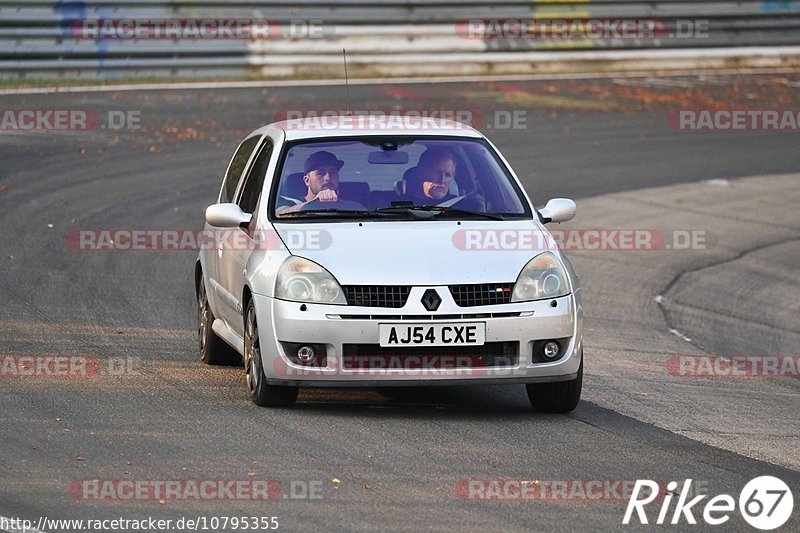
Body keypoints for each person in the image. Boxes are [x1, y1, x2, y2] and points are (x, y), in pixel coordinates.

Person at [276, 151, 346, 215]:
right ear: (307, 180)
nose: (328, 178)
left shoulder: (349, 206)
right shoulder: (290, 202)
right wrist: (314, 203)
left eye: (333, 172)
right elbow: (280, 214)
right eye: (320, 173)